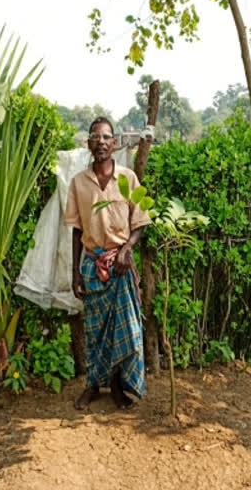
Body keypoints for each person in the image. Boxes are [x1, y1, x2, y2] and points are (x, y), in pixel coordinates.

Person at [64, 116, 151, 410]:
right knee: (95, 332)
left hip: (120, 267)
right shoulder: (78, 183)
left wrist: (127, 249)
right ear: (89, 143)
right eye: (95, 136)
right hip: (92, 266)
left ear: (114, 144)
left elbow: (139, 222)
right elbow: (77, 230)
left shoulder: (127, 179)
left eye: (105, 137)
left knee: (124, 330)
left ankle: (117, 387)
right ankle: (92, 386)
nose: (100, 141)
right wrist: (75, 273)